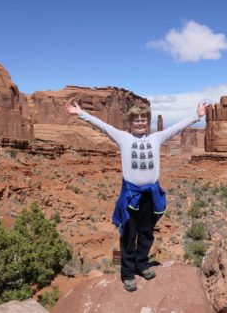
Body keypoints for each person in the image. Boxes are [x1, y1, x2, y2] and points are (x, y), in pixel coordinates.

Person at [65, 101, 207, 291]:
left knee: (146, 234)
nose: (140, 123)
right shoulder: (123, 137)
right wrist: (81, 113)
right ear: (130, 123)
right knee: (129, 235)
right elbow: (103, 126)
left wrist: (196, 116)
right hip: (131, 196)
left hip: (151, 195)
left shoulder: (156, 138)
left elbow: (176, 128)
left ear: (148, 121)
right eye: (136, 120)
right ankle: (128, 274)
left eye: (143, 119)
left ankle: (142, 265)